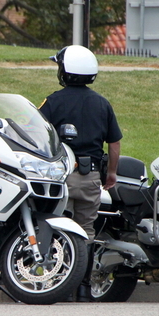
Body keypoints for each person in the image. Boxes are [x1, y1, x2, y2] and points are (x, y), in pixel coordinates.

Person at [38, 45, 122, 302]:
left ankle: (56, 284)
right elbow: (114, 143)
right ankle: (83, 288)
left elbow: (38, 136)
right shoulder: (102, 103)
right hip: (90, 177)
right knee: (86, 232)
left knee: (55, 228)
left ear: (66, 71)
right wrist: (111, 173)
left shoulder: (53, 101)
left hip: (60, 178)